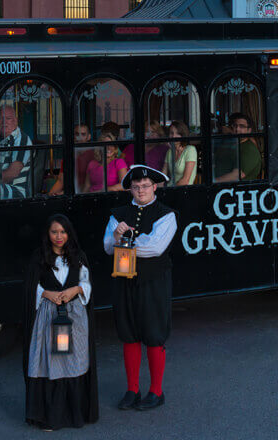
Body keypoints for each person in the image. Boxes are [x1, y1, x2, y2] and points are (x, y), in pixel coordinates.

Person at [103, 165, 177, 411]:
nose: (140, 190)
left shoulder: (166, 215)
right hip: (124, 280)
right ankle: (132, 389)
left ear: (155, 187)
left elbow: (155, 248)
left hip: (153, 281)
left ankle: (156, 391)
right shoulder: (118, 213)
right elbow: (107, 247)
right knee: (128, 333)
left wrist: (127, 241)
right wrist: (117, 237)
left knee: (154, 334)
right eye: (135, 187)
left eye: (145, 186)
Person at [24, 215, 98, 430]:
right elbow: (30, 286)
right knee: (51, 363)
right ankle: (51, 417)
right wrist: (46, 293)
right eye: (54, 232)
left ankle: (75, 415)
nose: (59, 236)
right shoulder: (38, 257)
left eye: (63, 232)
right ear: (47, 234)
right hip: (48, 317)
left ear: (69, 233)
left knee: (75, 362)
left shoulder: (79, 256)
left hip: (74, 317)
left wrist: (76, 289)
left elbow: (87, 282)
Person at [214, 112, 262, 182]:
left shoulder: (249, 149)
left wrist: (213, 182)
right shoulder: (232, 144)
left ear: (249, 130)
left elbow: (237, 175)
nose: (237, 129)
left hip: (236, 190)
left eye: (242, 126)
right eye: (235, 126)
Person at [164, 121, 197, 186]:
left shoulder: (190, 150)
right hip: (169, 188)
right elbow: (163, 174)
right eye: (171, 133)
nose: (173, 136)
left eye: (177, 133)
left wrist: (170, 191)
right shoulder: (169, 152)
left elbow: (185, 180)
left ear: (183, 135)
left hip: (183, 190)